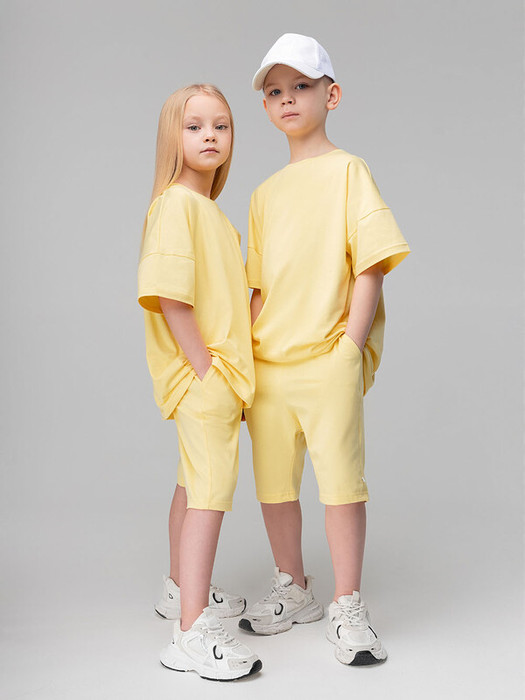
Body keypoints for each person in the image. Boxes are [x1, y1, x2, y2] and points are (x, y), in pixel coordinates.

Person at [239, 34, 411, 667]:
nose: (287, 99)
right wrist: (241, 363)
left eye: (301, 86)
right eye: (274, 91)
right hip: (269, 365)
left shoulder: (349, 171)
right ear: (265, 106)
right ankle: (294, 587)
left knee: (341, 482)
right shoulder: (263, 195)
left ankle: (347, 603)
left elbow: (371, 262)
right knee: (273, 484)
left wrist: (350, 345)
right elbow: (257, 289)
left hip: (327, 358)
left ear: (331, 95)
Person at [137, 84, 262, 681]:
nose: (210, 136)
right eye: (194, 127)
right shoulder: (176, 205)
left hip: (216, 374)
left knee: (192, 482)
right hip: (204, 375)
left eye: (221, 125)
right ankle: (190, 633)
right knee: (210, 492)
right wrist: (208, 368)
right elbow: (169, 296)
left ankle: (178, 589)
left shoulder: (208, 210)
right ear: (173, 136)